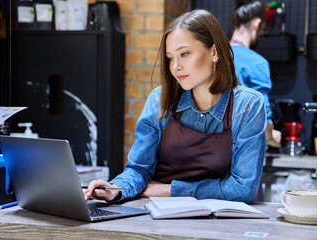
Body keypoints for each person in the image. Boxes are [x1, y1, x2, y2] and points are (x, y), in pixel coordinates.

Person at [84, 9, 266, 203]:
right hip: (156, 215)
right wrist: (116, 189)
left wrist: (170, 190)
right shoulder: (160, 100)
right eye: (171, 58)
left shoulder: (248, 106)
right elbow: (138, 170)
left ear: (214, 52)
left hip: (218, 222)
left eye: (185, 54)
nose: (175, 66)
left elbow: (242, 189)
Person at [230, 0, 281, 148]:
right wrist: (272, 138)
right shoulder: (257, 63)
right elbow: (262, 116)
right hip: (241, 151)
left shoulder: (214, 55)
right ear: (257, 23)